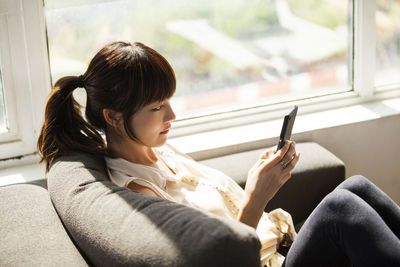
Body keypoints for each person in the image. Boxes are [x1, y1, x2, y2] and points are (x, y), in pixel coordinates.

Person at [37, 41, 400, 267]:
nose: (172, 116)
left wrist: (257, 181)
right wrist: (258, 195)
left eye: (169, 102)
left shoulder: (159, 151)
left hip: (280, 246)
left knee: (356, 187)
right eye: (157, 108)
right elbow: (219, 256)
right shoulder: (138, 192)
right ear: (113, 117)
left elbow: (216, 209)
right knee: (341, 209)